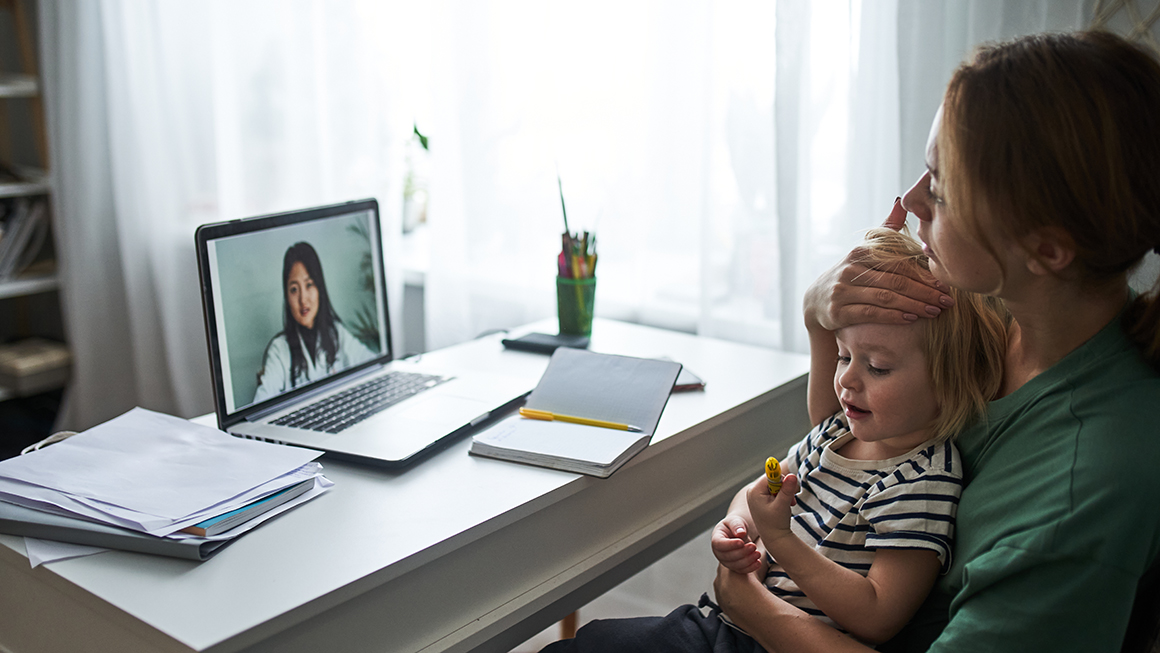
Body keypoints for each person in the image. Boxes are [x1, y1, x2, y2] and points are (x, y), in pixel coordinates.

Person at [544, 29, 1160, 653]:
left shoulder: (1088, 483)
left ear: (1047, 249)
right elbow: (857, 441)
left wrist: (751, 606)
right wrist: (823, 313)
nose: (913, 198)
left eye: (943, 192)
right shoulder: (997, 319)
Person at [541, 225, 1008, 651]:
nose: (845, 380)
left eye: (877, 366)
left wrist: (781, 539)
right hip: (723, 626)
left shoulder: (923, 480)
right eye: (843, 356)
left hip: (769, 642)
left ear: (948, 381)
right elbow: (759, 493)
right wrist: (737, 527)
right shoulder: (835, 431)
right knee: (592, 641)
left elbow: (877, 616)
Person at [252, 241, 376, 404]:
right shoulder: (279, 350)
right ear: (287, 297)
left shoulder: (337, 334)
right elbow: (261, 404)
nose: (303, 299)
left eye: (309, 285)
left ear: (320, 289)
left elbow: (374, 366)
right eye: (294, 289)